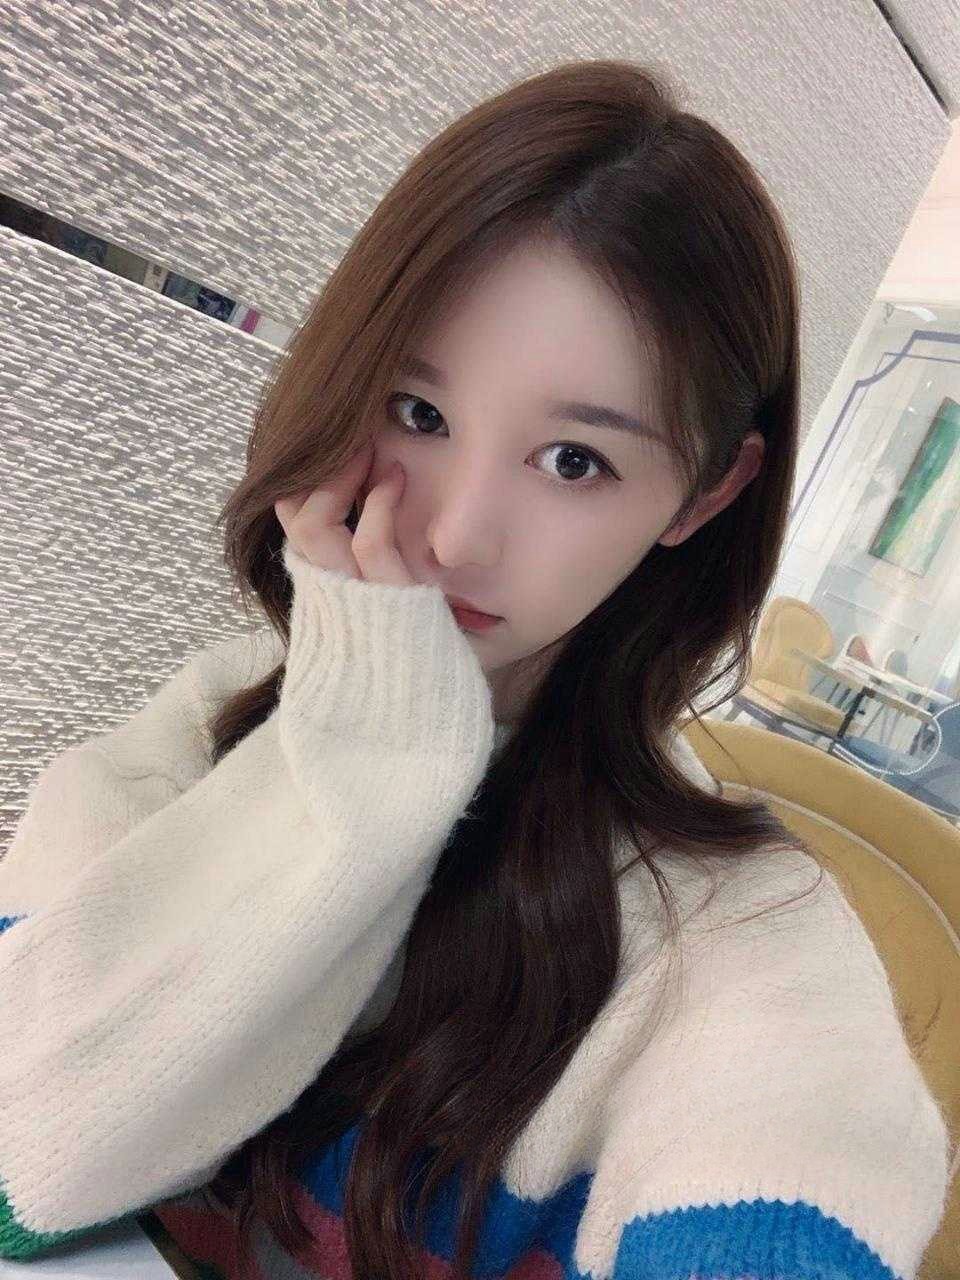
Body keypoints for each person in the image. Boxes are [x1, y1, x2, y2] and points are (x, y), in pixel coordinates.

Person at [0, 58, 951, 1280]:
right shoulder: (192, 740)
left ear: (706, 494)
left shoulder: (736, 934)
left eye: (574, 462)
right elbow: (20, 1171)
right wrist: (367, 752)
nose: (453, 535)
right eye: (418, 412)